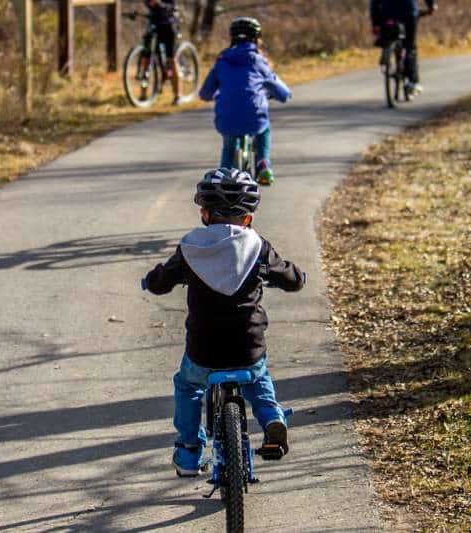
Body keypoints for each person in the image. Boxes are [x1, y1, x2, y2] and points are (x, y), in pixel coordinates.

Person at [142, 167, 306, 477]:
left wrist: (151, 281)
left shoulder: (191, 247)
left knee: (188, 386)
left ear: (204, 214)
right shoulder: (259, 248)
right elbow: (290, 278)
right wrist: (299, 278)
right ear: (248, 218)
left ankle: (189, 453)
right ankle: (272, 418)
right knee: (258, 378)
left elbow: (162, 281)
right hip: (248, 346)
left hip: (204, 351)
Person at [199, 17, 291, 186]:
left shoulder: (222, 61)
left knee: (229, 145)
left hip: (227, 118)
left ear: (232, 37)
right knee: (264, 130)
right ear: (257, 38)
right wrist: (281, 95)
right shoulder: (258, 61)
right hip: (254, 116)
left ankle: (223, 176)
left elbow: (205, 93)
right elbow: (283, 93)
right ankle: (263, 165)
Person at [369, 0, 436, 96]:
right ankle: (413, 82)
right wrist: (431, 6)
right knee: (410, 46)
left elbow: (374, 3)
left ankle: (386, 53)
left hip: (387, 14)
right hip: (408, 12)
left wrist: (375, 22)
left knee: (388, 35)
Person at [144, 0, 182, 104]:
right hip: (154, 24)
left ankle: (177, 95)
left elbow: (172, 5)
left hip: (168, 24)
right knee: (146, 55)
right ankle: (143, 94)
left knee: (171, 59)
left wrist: (160, 4)